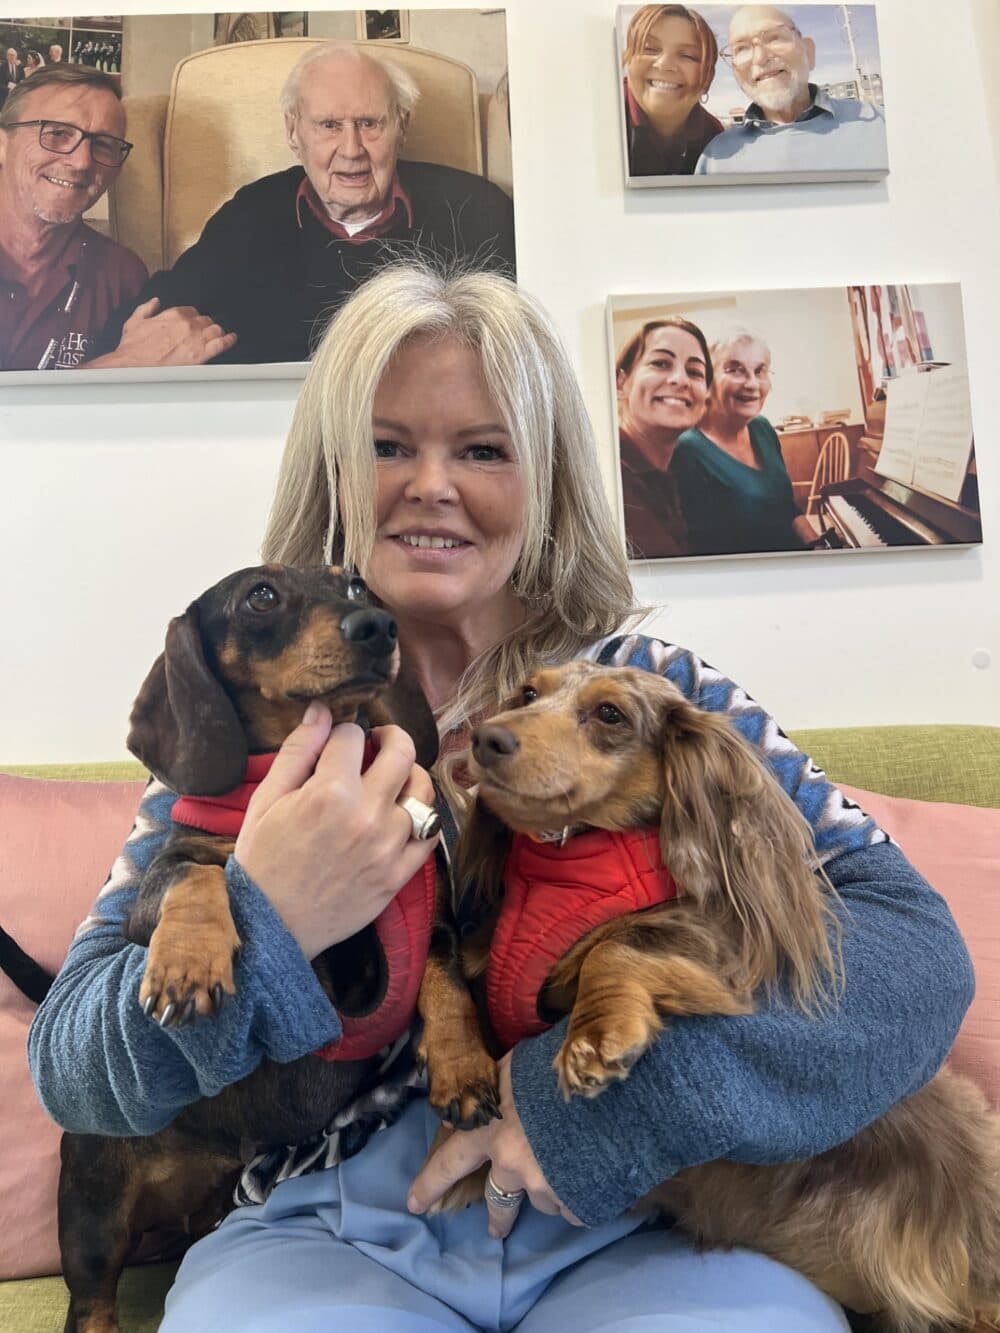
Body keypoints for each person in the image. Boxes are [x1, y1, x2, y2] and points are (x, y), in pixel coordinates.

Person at [29, 261, 974, 1331]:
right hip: (325, 1228)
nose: (431, 484)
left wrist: (605, 1116)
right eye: (387, 445)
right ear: (333, 469)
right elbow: (73, 1071)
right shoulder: (243, 730)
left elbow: (916, 960)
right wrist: (266, 916)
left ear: (548, 476)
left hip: (643, 1219)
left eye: (481, 449)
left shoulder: (660, 690)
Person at [140, 42, 517, 365]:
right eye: (329, 125)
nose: (352, 150)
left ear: (402, 126)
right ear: (293, 131)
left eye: (370, 123)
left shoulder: (476, 211)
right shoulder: (250, 215)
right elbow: (159, 318)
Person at [0, 64, 238, 372]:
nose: (82, 161)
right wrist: (121, 365)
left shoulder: (122, 275)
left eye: (103, 145)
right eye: (57, 134)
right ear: (3, 145)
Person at [671, 327, 818, 554]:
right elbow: (705, 553)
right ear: (707, 380)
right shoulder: (687, 451)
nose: (751, 384)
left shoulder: (762, 428)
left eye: (760, 371)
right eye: (735, 370)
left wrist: (816, 544)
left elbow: (786, 508)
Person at [694, 5, 888, 177]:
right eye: (742, 48)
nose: (760, 57)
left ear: (808, 52)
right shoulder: (715, 158)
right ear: (734, 70)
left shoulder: (879, 123)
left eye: (774, 38)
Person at [615, 316, 712, 558]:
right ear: (621, 383)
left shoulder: (676, 473)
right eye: (660, 363)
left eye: (694, 372)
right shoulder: (612, 477)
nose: (680, 380)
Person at [621, 5, 723, 177]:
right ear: (628, 59)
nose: (664, 64)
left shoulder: (715, 139)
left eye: (688, 56)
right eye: (650, 49)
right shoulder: (601, 121)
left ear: (708, 78)